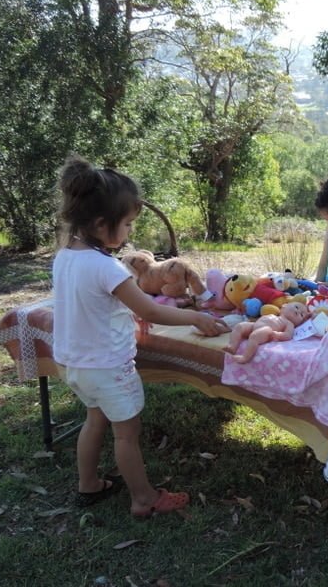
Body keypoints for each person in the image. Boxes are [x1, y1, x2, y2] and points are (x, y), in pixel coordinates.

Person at [52, 155, 229, 518]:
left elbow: (95, 305)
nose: (130, 232)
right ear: (102, 224)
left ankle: (88, 484)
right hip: (109, 367)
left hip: (75, 365)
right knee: (126, 434)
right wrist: (193, 317)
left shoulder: (65, 256)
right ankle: (144, 498)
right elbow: (148, 309)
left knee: (94, 419)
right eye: (129, 224)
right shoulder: (107, 267)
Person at [223, 301, 309, 364]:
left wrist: (278, 334)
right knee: (240, 326)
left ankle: (245, 357)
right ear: (284, 306)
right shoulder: (276, 315)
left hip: (267, 330)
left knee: (254, 336)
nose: (298, 311)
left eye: (301, 315)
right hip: (255, 325)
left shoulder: (289, 323)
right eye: (297, 307)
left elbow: (288, 335)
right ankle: (232, 346)